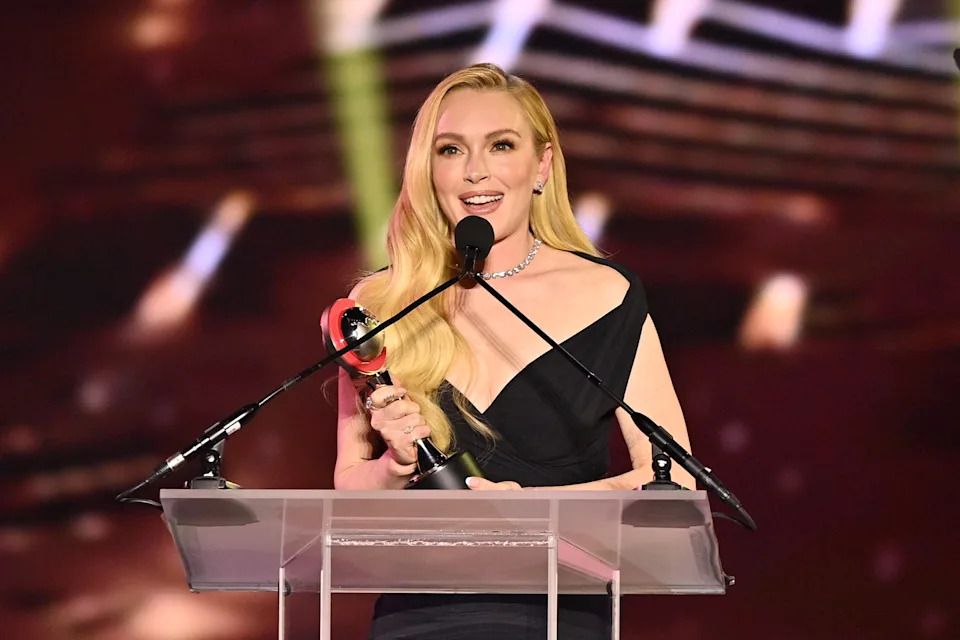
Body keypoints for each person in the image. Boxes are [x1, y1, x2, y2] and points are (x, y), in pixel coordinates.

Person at [334, 63, 693, 639]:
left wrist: (535, 512)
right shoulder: (383, 301)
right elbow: (348, 488)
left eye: (501, 145)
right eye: (451, 150)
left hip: (557, 614)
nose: (476, 171)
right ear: (429, 171)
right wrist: (392, 467)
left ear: (542, 165)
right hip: (420, 620)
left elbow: (671, 475)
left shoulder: (607, 294)